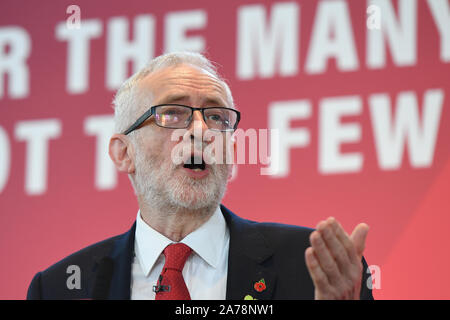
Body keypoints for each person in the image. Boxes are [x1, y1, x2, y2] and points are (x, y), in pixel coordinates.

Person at [27, 52, 373, 300]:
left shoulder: (312, 266)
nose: (201, 131)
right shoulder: (60, 288)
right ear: (123, 153)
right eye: (172, 114)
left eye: (217, 117)